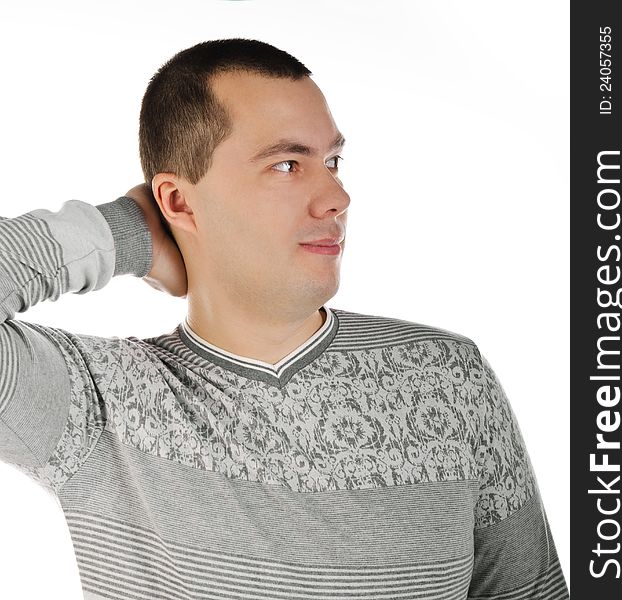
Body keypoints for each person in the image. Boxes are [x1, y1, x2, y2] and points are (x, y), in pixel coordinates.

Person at [0, 38, 569, 599]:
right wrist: (125, 233)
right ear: (179, 202)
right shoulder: (99, 403)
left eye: (332, 161)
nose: (336, 197)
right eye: (287, 164)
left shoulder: (448, 377)